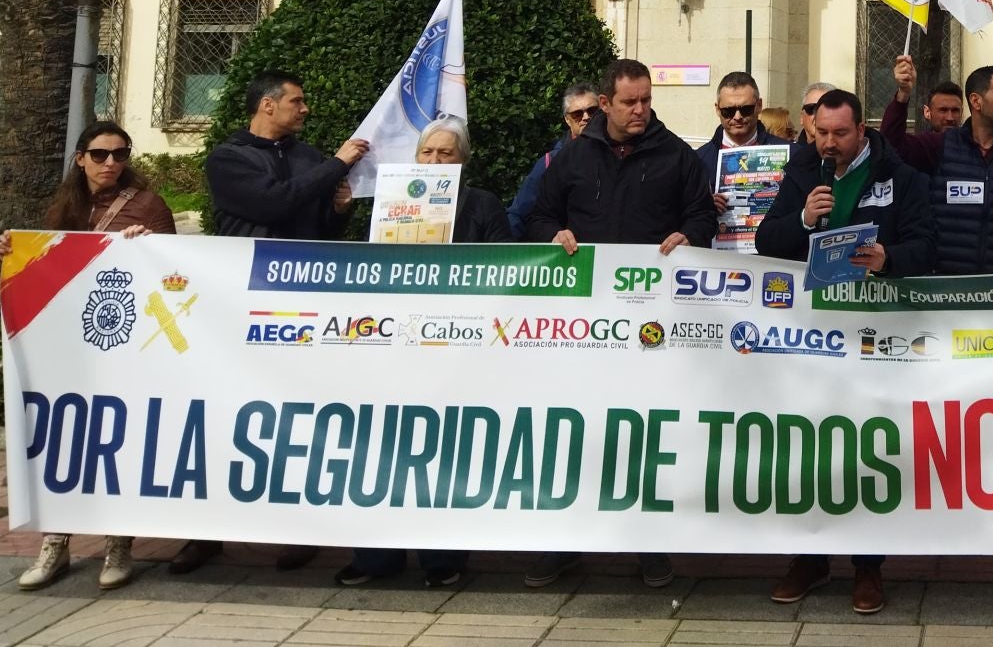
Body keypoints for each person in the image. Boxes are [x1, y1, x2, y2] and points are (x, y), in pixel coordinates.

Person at [523, 58, 715, 590]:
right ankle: (564, 544)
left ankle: (649, 546)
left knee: (642, 433)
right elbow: (538, 216)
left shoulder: (676, 154)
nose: (640, 110)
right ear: (603, 104)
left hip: (651, 326)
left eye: (646, 100)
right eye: (630, 101)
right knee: (577, 430)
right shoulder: (571, 157)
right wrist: (554, 236)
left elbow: (702, 217)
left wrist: (689, 237)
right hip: (585, 323)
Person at [176, 72, 367, 575]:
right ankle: (205, 534)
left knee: (297, 422)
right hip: (241, 309)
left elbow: (316, 228)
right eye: (297, 102)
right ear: (267, 105)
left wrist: (339, 212)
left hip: (302, 309)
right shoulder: (229, 158)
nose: (305, 110)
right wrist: (337, 166)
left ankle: (297, 531)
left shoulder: (308, 158)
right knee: (226, 417)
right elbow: (273, 203)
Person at [757, 88, 936, 614]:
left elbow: (928, 246)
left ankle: (867, 566)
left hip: (874, 336)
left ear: (862, 130)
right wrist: (804, 221)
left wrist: (888, 258)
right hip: (810, 338)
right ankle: (809, 558)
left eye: (840, 134)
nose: (829, 143)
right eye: (821, 134)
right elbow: (768, 241)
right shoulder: (801, 175)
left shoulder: (900, 179)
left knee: (864, 447)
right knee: (808, 446)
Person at [336, 117, 508, 589]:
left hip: (457, 348)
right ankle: (376, 557)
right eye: (427, 153)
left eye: (445, 154)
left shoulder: (482, 205)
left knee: (445, 452)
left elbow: (505, 270)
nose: (434, 161)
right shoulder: (395, 201)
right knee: (383, 448)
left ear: (463, 162)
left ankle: (442, 558)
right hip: (395, 344)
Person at [5, 121, 174, 592]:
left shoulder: (148, 204)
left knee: (120, 443)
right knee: (65, 441)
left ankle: (119, 545)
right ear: (80, 157)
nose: (111, 164)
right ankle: (55, 544)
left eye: (120, 154)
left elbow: (176, 275)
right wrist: (11, 253)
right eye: (100, 155)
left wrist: (152, 248)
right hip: (71, 348)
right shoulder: (65, 206)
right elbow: (44, 271)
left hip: (130, 345)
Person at [882, 59, 993, 273]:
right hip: (946, 289)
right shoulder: (942, 146)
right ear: (976, 101)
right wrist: (903, 95)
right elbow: (891, 147)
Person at [506, 81, 598, 240]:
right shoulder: (550, 162)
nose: (586, 117)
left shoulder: (621, 154)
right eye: (577, 114)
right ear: (567, 120)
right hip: (569, 257)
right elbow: (520, 214)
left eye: (592, 111)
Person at [700, 71, 787, 213]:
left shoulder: (790, 154)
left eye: (746, 109)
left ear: (759, 105)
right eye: (728, 111)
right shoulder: (697, 160)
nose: (737, 116)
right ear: (717, 109)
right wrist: (703, 207)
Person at [799, 80, 835, 150]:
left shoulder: (849, 155)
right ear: (801, 118)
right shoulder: (791, 154)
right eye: (811, 108)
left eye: (826, 109)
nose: (818, 116)